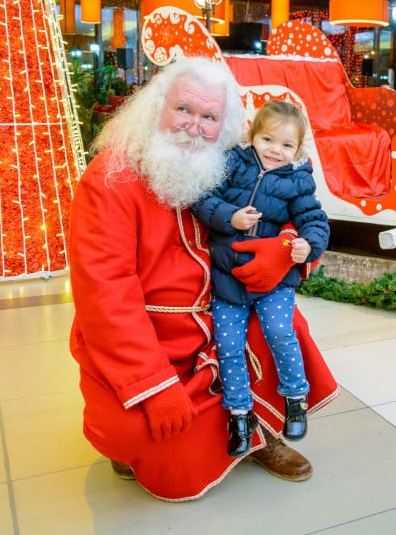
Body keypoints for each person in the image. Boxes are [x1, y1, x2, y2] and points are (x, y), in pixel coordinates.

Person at [68, 56, 338, 501]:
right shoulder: (110, 177)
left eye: (209, 117)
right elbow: (105, 294)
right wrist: (151, 385)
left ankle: (260, 429)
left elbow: (297, 214)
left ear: (226, 125)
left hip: (224, 307)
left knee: (283, 324)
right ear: (156, 107)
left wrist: (286, 251)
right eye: (183, 110)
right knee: (131, 430)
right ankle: (149, 437)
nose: (194, 127)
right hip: (155, 337)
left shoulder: (229, 163)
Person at [192, 100, 329, 457]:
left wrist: (307, 246)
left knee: (281, 332)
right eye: (268, 140)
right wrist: (229, 218)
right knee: (229, 346)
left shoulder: (298, 180)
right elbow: (203, 199)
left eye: (287, 145)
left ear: (298, 149)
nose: (275, 151)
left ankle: (295, 397)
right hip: (229, 278)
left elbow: (314, 219)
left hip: (274, 283)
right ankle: (240, 414)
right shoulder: (232, 164)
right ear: (252, 135)